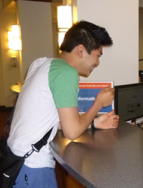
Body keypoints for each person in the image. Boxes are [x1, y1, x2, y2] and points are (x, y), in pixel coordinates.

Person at [7, 21, 119, 188]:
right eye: (98, 55)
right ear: (81, 50)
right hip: (33, 167)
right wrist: (98, 103)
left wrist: (94, 123)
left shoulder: (40, 63)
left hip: (15, 159)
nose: (98, 62)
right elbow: (72, 132)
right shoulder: (67, 72)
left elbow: (46, 120)